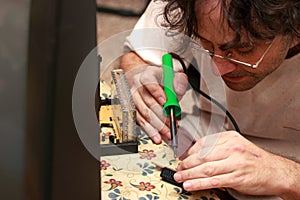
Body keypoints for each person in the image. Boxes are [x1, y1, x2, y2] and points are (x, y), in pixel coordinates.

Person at [119, 0, 300, 199]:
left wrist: (286, 174)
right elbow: (136, 56)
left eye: (243, 50)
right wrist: (144, 78)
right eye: (206, 44)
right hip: (202, 136)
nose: (217, 69)